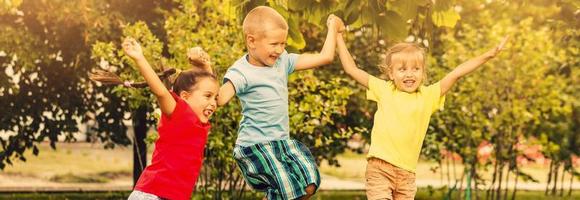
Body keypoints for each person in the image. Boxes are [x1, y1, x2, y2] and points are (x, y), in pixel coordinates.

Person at [336, 33, 508, 200]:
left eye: (415, 69)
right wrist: (337, 36)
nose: (409, 74)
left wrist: (488, 55)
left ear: (423, 72)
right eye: (402, 69)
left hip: (407, 176)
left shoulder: (429, 95)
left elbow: (457, 73)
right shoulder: (384, 89)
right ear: (391, 74)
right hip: (380, 169)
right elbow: (351, 69)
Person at [217, 6, 344, 200]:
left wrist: (332, 27)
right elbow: (221, 98)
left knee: (310, 183)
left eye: (283, 44)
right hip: (255, 146)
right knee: (289, 191)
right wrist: (205, 69)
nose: (279, 50)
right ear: (251, 41)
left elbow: (325, 57)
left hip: (282, 144)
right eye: (274, 44)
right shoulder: (241, 71)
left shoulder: (283, 61)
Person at [117, 37, 218, 200]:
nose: (214, 103)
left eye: (215, 98)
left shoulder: (199, 122)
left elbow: (209, 85)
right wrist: (139, 58)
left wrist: (205, 64)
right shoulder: (179, 112)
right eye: (208, 97)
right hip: (153, 195)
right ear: (185, 96)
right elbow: (161, 92)